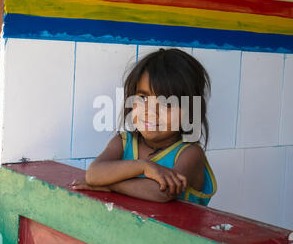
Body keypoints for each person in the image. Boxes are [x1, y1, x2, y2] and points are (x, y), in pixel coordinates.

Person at [72, 48, 217, 205]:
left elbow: (162, 192)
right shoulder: (123, 141)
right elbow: (93, 174)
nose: (150, 111)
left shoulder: (190, 153)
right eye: (142, 97)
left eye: (167, 103)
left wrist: (108, 183)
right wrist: (143, 167)